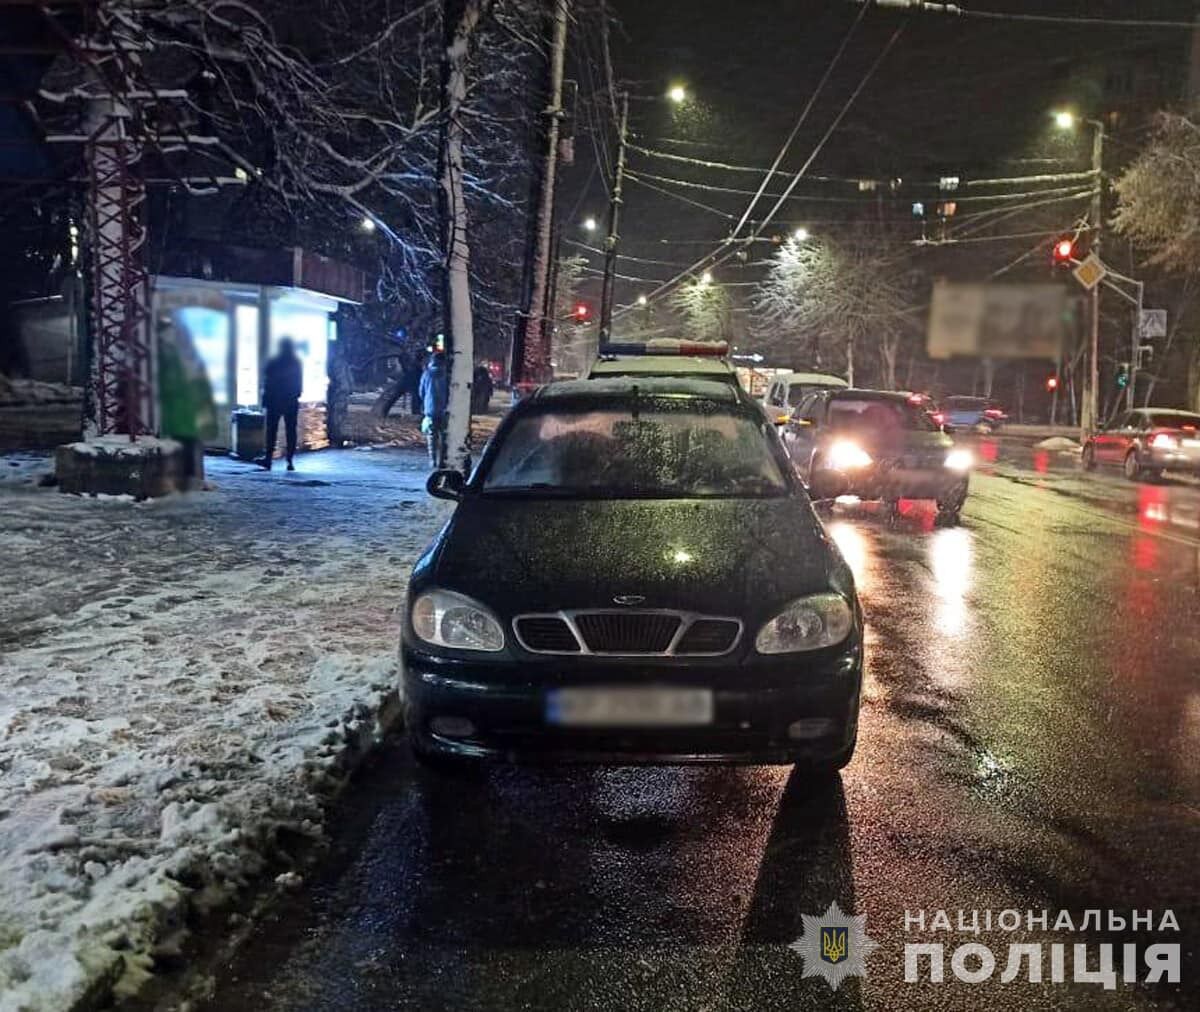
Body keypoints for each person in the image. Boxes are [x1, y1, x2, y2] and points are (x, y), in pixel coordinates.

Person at [259, 337, 303, 470]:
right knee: (291, 431)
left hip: (274, 401)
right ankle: (290, 461)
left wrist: (265, 400)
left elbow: (267, 381)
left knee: (271, 431)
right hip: (290, 401)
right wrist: (296, 395)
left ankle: (268, 459)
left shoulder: (274, 361)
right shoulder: (295, 362)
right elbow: (299, 383)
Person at [419, 350, 450, 468]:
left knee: (431, 436)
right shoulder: (446, 375)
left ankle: (432, 459)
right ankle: (442, 460)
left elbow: (421, 391)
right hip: (444, 409)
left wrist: (425, 402)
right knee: (444, 436)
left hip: (430, 409)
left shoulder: (426, 374)